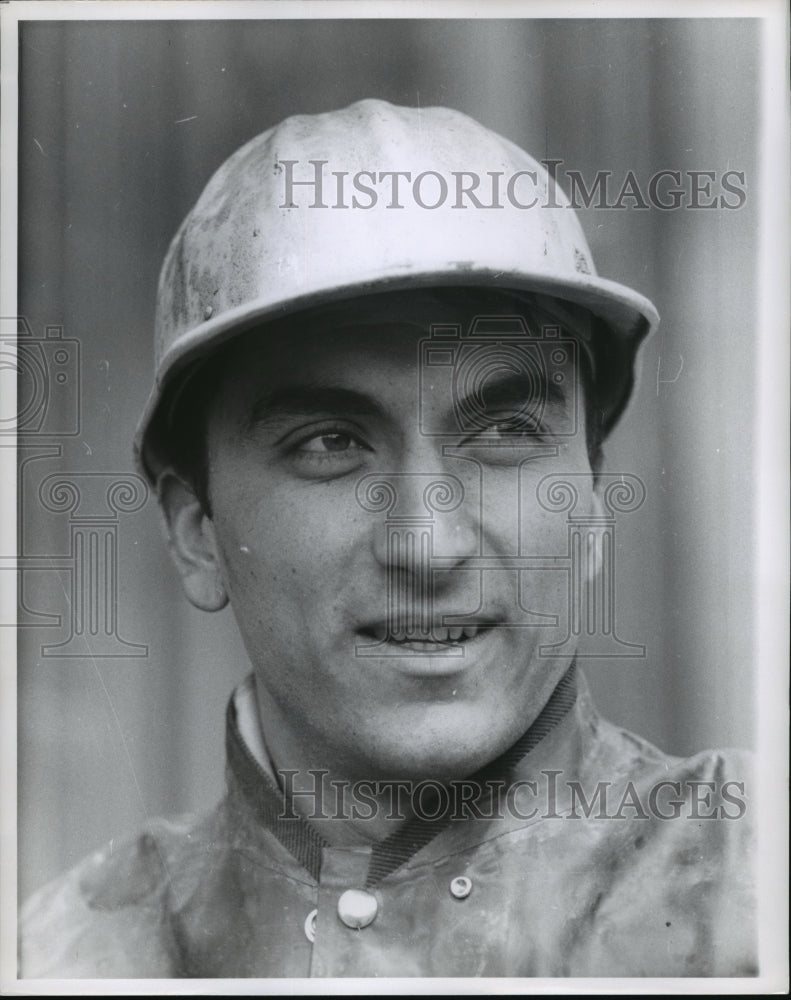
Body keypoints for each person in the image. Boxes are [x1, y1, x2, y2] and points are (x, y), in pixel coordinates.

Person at [20, 99, 755, 979]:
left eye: (503, 432)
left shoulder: (755, 880)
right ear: (196, 534)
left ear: (589, 497)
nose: (428, 544)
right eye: (328, 443)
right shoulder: (64, 957)